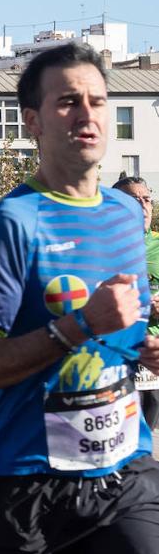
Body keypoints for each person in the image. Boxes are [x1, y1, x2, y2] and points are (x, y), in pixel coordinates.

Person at [0, 42, 159, 554]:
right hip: (26, 484)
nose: (87, 114)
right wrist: (80, 325)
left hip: (123, 467)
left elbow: (124, 329)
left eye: (98, 101)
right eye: (67, 102)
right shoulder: (15, 224)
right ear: (33, 121)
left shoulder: (127, 215)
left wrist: (145, 350)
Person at [113, 176, 159, 428]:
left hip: (151, 353)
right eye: (134, 199)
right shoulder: (101, 246)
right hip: (112, 354)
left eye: (147, 199)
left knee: (145, 425)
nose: (143, 205)